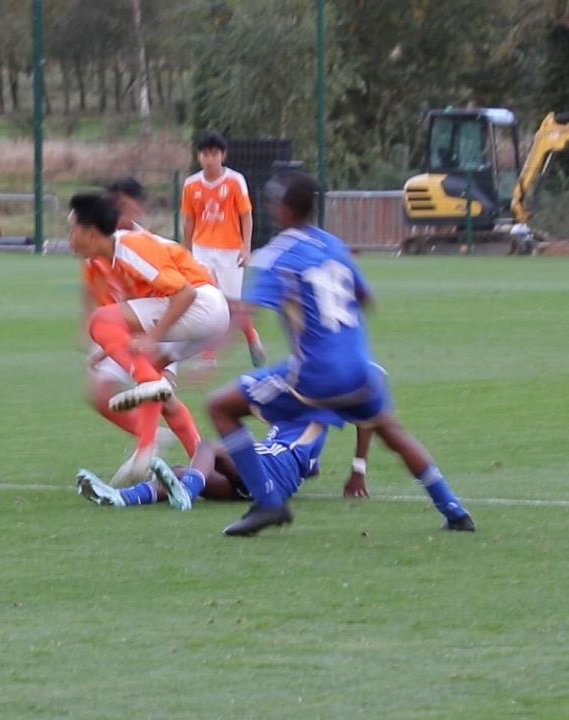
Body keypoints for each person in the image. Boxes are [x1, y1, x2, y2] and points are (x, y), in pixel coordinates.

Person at [209, 167, 475, 537]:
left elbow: (245, 312)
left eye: (273, 202)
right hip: (359, 370)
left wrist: (211, 356)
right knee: (392, 432)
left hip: (314, 375)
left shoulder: (278, 254)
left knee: (220, 406)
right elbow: (367, 299)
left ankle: (268, 503)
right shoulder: (334, 245)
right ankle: (455, 510)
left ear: (285, 209)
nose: (270, 207)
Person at [68, 192, 229, 484]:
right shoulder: (115, 256)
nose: (69, 240)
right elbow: (139, 315)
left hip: (201, 305)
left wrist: (152, 337)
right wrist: (109, 347)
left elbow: (185, 293)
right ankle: (207, 468)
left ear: (90, 234)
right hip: (201, 315)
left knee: (100, 320)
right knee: (160, 390)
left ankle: (146, 442)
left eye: (72, 231)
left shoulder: (129, 248)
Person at [76, 412, 372, 510]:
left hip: (272, 466)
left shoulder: (319, 401)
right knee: (179, 472)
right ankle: (118, 498)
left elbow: (366, 415)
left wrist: (358, 469)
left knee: (210, 447)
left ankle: (187, 493)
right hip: (266, 476)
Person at [181, 131, 265, 368]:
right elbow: (189, 219)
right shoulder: (191, 184)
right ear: (199, 156)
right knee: (206, 301)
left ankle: (251, 336)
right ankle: (208, 357)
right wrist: (186, 251)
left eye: (214, 154)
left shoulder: (235, 181)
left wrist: (246, 247)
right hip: (202, 250)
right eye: (205, 154)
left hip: (230, 250)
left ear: (223, 155)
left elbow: (246, 215)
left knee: (232, 304)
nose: (210, 159)